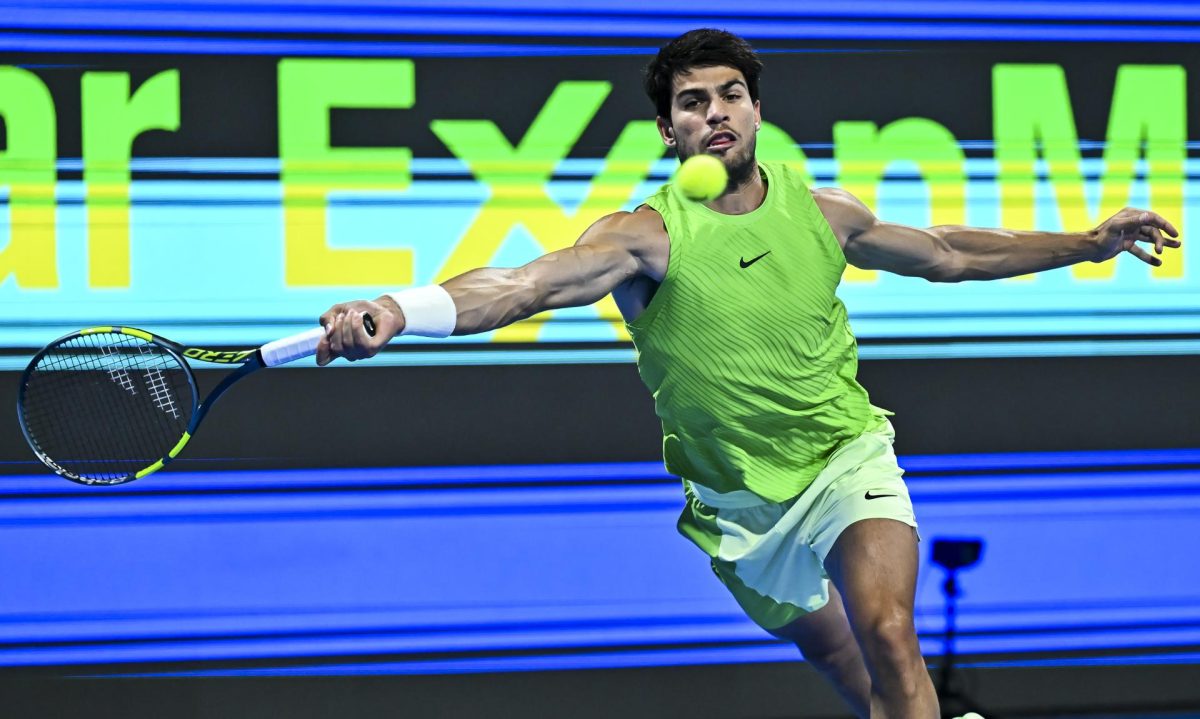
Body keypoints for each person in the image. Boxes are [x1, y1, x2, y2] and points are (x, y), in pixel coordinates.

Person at [316, 29, 1180, 719]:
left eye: (731, 94)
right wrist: (399, 309)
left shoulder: (824, 213)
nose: (715, 112)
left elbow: (950, 252)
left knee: (887, 631)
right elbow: (523, 286)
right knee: (840, 653)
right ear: (670, 131)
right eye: (693, 103)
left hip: (845, 458)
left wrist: (1087, 243)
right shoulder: (642, 236)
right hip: (739, 506)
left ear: (757, 109)